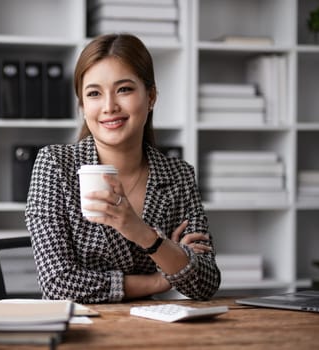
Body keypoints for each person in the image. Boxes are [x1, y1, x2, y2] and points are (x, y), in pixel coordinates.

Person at [25, 33, 221, 304]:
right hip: (84, 332)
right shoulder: (56, 166)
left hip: (156, 331)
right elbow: (58, 284)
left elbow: (205, 282)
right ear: (83, 106)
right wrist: (161, 276)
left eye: (124, 89)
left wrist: (141, 233)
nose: (109, 107)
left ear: (150, 96)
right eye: (94, 94)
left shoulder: (178, 175)